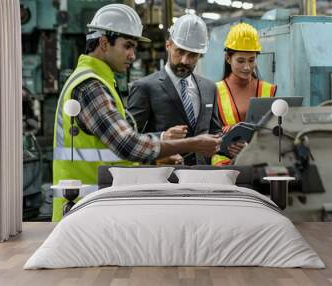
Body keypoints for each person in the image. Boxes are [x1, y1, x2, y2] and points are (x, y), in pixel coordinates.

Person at [52, 4, 221, 221]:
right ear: (104, 43)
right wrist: (192, 143)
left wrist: (159, 144)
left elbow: (117, 146)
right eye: (128, 46)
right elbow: (127, 144)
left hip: (99, 204)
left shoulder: (100, 82)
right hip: (85, 206)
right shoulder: (90, 86)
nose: (133, 56)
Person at [127, 14, 222, 165]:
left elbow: (214, 132)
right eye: (180, 52)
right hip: (163, 178)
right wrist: (161, 141)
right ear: (168, 45)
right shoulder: (145, 87)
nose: (185, 60)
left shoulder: (209, 88)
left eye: (192, 55)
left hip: (202, 178)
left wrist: (230, 146)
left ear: (201, 55)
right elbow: (128, 140)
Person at [211, 23, 277, 166]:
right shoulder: (214, 91)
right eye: (240, 61)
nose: (247, 67)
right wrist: (227, 142)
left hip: (260, 162)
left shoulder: (268, 90)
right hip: (224, 166)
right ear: (228, 58)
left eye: (251, 60)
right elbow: (207, 132)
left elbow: (275, 131)